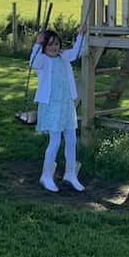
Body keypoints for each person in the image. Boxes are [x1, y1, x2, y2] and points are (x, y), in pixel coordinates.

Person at [29, 22, 88, 192]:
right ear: (44, 46)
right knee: (55, 141)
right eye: (50, 44)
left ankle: (70, 174)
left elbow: (77, 52)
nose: (54, 47)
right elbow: (32, 62)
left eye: (56, 44)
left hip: (66, 105)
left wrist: (81, 35)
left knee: (71, 140)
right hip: (51, 105)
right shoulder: (43, 61)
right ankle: (46, 176)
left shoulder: (63, 57)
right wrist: (37, 43)